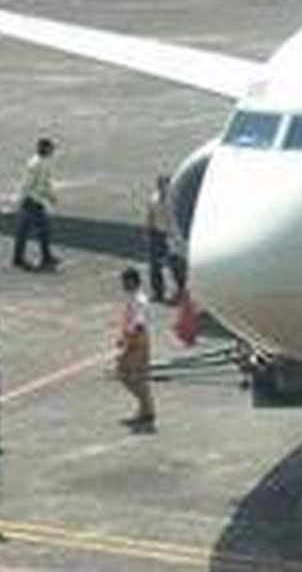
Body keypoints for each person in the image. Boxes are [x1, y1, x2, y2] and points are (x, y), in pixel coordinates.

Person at [12, 137, 59, 271]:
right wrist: (24, 200)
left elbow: (44, 183)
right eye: (50, 148)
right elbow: (27, 185)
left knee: (44, 230)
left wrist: (51, 197)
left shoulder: (43, 163)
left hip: (37, 201)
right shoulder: (35, 164)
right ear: (44, 148)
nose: (52, 151)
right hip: (30, 202)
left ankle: (46, 256)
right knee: (24, 232)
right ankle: (18, 259)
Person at [116, 266, 156, 428]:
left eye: (124, 281)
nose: (122, 284)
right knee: (127, 375)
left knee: (132, 376)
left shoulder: (139, 300)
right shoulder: (133, 298)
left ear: (131, 281)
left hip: (138, 341)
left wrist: (128, 340)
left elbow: (139, 324)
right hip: (134, 339)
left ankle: (147, 409)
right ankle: (146, 408)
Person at [146, 174, 186, 302]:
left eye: (165, 185)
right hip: (157, 234)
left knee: (174, 265)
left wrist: (175, 237)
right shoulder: (154, 198)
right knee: (155, 265)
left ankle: (181, 290)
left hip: (171, 235)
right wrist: (150, 231)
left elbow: (178, 217)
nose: (163, 188)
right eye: (161, 185)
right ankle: (158, 292)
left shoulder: (174, 200)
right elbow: (150, 215)